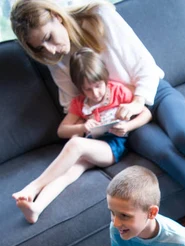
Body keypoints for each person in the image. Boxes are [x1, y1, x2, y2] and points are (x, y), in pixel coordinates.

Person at [10, 0, 185, 212]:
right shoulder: (56, 60)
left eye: (49, 38)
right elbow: (75, 103)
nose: (50, 50)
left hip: (154, 93)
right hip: (125, 122)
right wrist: (97, 123)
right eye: (40, 47)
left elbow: (144, 66)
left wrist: (135, 102)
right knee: (164, 152)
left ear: (57, 17)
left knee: (184, 136)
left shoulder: (99, 15)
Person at [12, 47, 152, 223]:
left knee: (75, 144)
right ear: (80, 88)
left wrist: (127, 126)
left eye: (98, 86)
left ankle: (33, 187)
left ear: (105, 79)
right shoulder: (80, 103)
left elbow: (146, 113)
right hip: (92, 144)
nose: (95, 93)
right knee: (68, 174)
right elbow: (61, 131)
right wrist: (83, 126)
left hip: (113, 146)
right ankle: (36, 209)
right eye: (88, 89)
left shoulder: (118, 91)